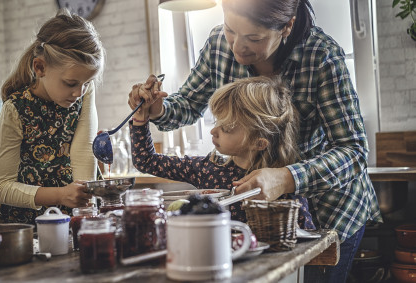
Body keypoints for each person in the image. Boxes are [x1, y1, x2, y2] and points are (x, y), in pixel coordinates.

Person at [128, 0, 382, 282]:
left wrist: (287, 178)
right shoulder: (217, 44)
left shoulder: (322, 56)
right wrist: (158, 110)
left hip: (329, 209)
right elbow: (188, 104)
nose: (236, 47)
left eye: (254, 38)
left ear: (287, 26)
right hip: (262, 227)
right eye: (230, 30)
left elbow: (353, 151)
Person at [130, 76, 315, 230]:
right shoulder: (207, 169)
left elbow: (306, 240)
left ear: (258, 143)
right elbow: (145, 161)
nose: (213, 131)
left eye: (226, 127)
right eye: (217, 121)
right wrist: (141, 118)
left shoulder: (282, 186)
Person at [0, 9, 104, 225]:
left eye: (87, 83)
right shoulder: (15, 108)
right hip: (28, 226)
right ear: (40, 67)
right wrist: (60, 195)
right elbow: (1, 188)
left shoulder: (82, 91)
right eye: (71, 83)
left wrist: (84, 211)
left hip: (75, 219)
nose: (79, 93)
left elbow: (83, 153)